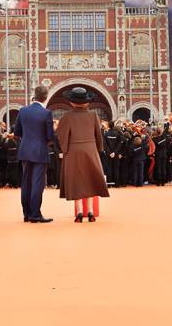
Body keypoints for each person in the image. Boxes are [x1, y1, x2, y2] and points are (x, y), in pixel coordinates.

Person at [56, 87, 110, 222]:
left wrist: (64, 149)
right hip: (90, 150)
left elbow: (61, 136)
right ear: (87, 102)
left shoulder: (67, 116)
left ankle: (79, 213)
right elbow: (99, 135)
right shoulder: (93, 115)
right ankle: (91, 212)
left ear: (71, 102)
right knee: (90, 180)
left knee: (77, 182)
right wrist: (98, 149)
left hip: (73, 151)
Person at [13, 86, 55, 223]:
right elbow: (50, 137)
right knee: (37, 183)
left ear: (34, 96)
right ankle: (35, 214)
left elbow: (16, 133)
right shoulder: (46, 113)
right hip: (40, 152)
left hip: (25, 151)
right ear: (45, 97)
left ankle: (26, 213)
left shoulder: (23, 111)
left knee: (26, 183)